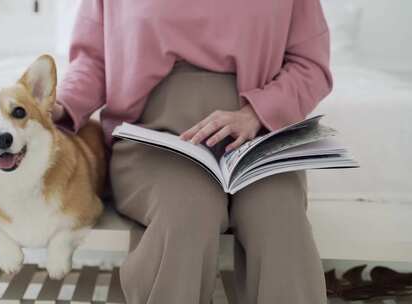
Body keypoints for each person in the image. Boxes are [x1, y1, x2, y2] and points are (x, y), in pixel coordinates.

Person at [51, 1, 333, 303]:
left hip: (260, 131)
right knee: (187, 212)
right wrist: (60, 106)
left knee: (279, 215)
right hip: (154, 133)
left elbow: (311, 65)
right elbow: (94, 61)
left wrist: (256, 114)